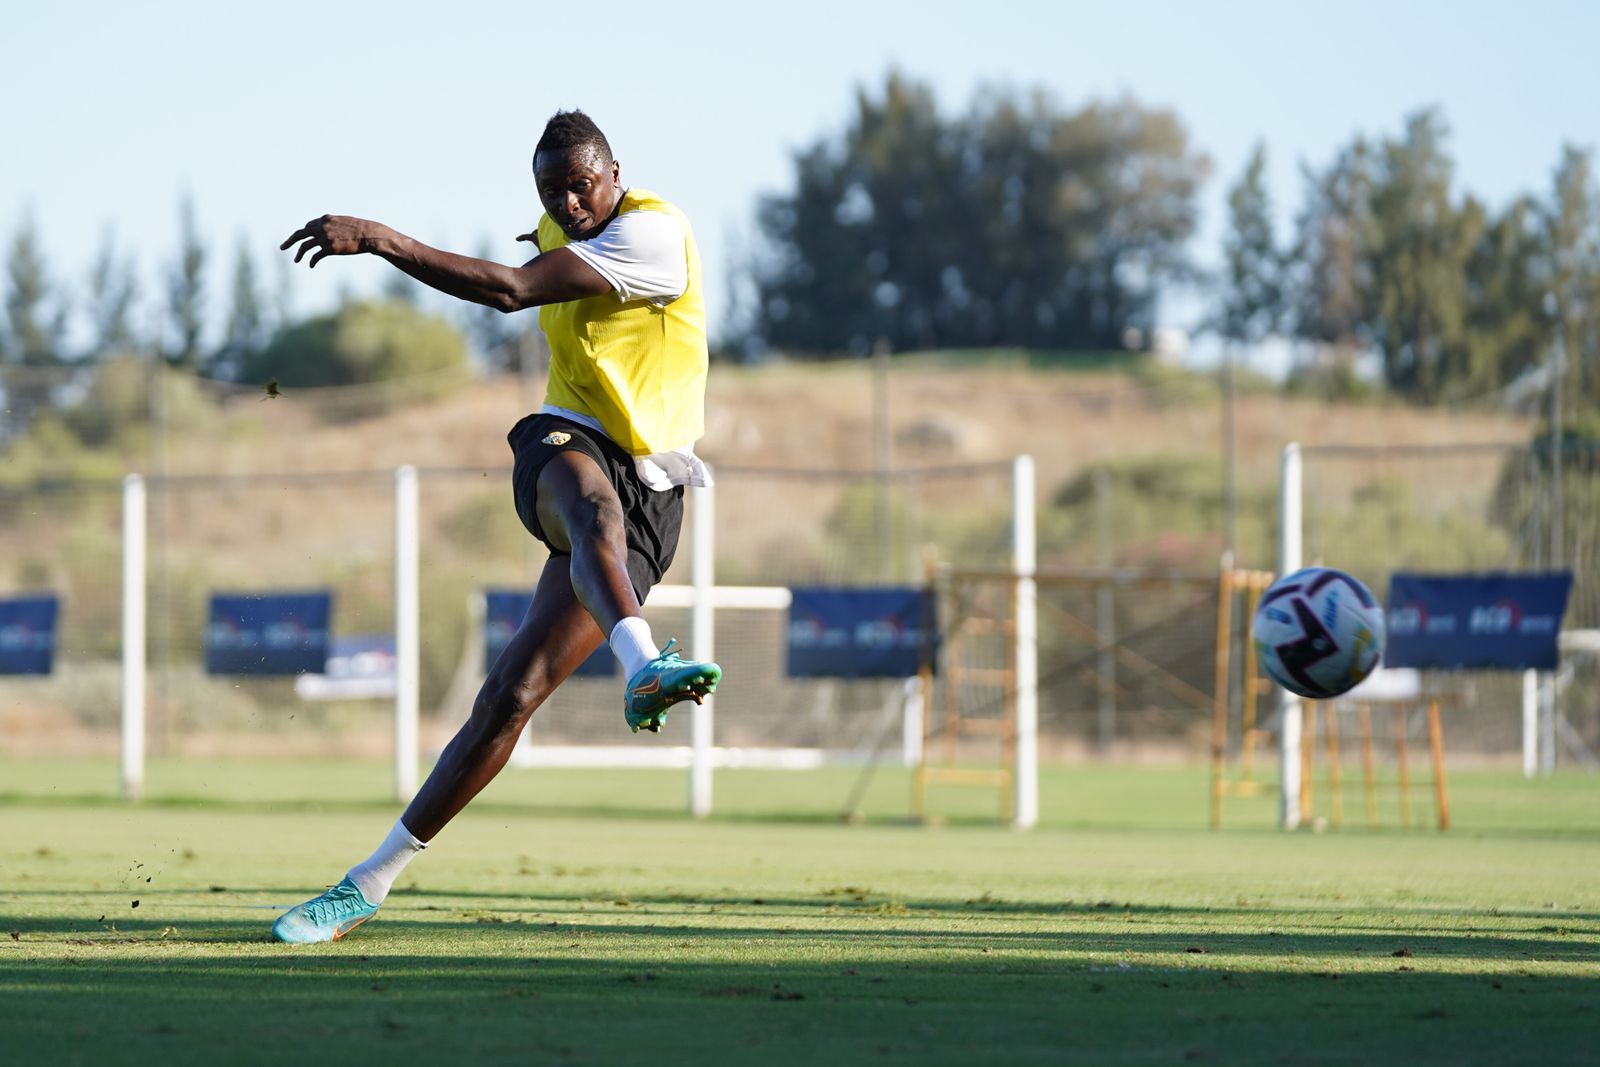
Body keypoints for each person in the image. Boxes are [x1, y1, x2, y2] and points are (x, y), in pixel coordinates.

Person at [270, 110, 721, 943]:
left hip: (654, 488)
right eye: (551, 191)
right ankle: (645, 664)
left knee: (509, 697)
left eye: (581, 185)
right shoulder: (565, 219)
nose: (567, 203)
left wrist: (376, 237)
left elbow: (512, 289)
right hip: (566, 444)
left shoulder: (656, 235)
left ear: (615, 172)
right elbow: (534, 263)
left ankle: (367, 882)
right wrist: (547, 226)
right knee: (588, 506)